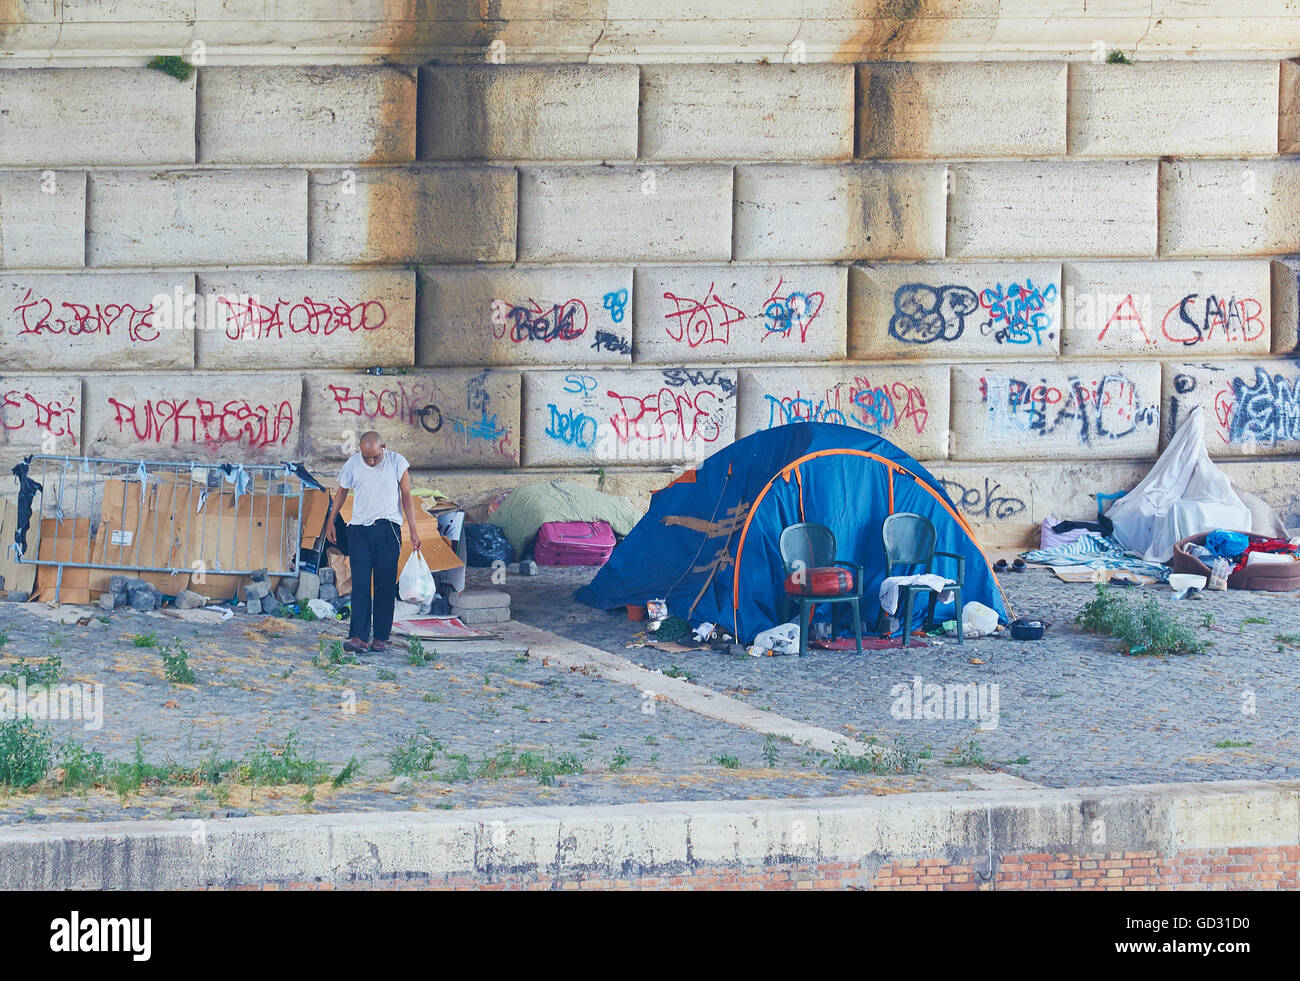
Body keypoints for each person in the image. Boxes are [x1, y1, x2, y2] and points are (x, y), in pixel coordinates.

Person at [324, 431, 422, 654]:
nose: (370, 461)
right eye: (365, 457)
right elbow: (341, 492)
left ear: (383, 448)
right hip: (358, 530)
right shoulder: (353, 463)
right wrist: (331, 520)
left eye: (374, 457)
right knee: (359, 583)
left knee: (385, 584)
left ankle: (380, 637)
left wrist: (413, 531)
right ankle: (358, 636)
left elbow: (406, 496)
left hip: (388, 529)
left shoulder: (397, 462)